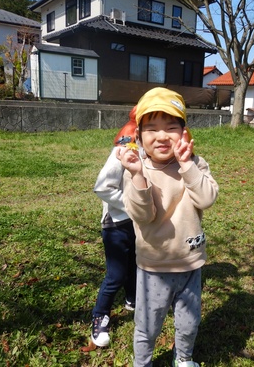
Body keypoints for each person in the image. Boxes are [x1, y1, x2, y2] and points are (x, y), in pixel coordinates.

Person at [116, 87, 219, 367]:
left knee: (189, 322)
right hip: (154, 267)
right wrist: (137, 175)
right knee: (147, 326)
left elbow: (207, 198)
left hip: (190, 261)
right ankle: (143, 363)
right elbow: (142, 215)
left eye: (171, 127)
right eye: (151, 129)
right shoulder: (139, 169)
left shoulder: (196, 164)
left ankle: (184, 358)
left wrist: (187, 166)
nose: (161, 136)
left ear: (184, 132)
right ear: (138, 136)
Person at [89, 108, 139, 348]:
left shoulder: (152, 149)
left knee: (134, 265)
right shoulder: (124, 147)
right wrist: (132, 205)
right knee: (116, 274)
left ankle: (132, 299)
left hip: (138, 223)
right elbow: (102, 187)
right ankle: (100, 315)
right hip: (116, 224)